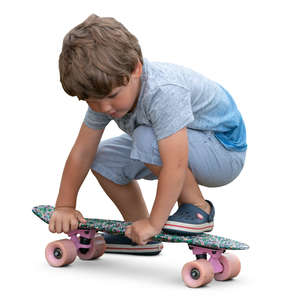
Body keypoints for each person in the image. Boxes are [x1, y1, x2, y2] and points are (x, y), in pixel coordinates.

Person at [48, 14, 247, 255]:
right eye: (92, 102)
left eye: (112, 96)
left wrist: (156, 222)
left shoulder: (163, 91)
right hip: (183, 146)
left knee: (145, 137)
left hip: (222, 151)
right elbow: (82, 152)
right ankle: (139, 233)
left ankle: (197, 208)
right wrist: (65, 205)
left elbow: (175, 162)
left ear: (136, 70)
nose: (104, 108)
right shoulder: (106, 95)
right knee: (103, 159)